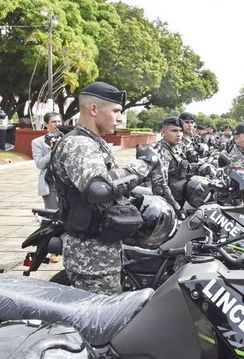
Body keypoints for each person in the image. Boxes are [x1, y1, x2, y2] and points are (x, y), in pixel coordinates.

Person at [51, 81, 160, 295]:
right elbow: (98, 188)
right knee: (99, 324)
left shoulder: (94, 142)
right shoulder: (80, 144)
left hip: (100, 253)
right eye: (116, 111)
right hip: (91, 259)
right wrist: (143, 165)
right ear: (93, 109)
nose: (119, 117)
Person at [32, 112, 62, 210]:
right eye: (53, 121)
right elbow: (40, 164)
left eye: (59, 121)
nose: (57, 124)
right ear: (46, 124)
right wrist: (53, 151)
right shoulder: (37, 142)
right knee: (52, 214)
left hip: (67, 184)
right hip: (50, 183)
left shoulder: (69, 139)